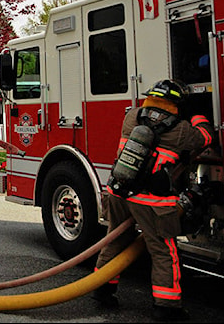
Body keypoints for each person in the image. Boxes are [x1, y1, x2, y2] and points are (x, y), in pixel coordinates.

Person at [91, 80, 213, 322]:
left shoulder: (132, 116)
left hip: (117, 191)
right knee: (163, 250)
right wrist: (199, 116)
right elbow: (205, 138)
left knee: (115, 239)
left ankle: (102, 289)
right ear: (175, 104)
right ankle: (166, 307)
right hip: (152, 201)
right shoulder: (180, 130)